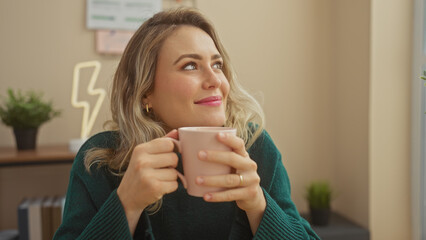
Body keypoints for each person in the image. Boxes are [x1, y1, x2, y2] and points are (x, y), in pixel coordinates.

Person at [54, 8, 319, 240]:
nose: (215, 80)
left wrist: (259, 207)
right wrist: (126, 204)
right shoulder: (99, 161)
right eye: (190, 66)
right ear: (146, 91)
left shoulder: (256, 147)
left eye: (217, 64)